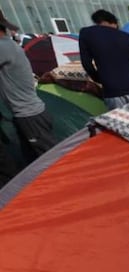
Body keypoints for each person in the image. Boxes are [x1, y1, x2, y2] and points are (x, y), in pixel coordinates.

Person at [0, 20, 56, 173]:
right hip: (25, 115)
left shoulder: (4, 47)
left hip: (30, 116)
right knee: (33, 162)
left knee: (51, 161)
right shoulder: (8, 45)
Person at [78, 10, 129, 110]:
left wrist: (100, 79)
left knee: (119, 122)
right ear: (114, 22)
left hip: (111, 89)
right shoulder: (126, 36)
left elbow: (86, 63)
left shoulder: (86, 33)